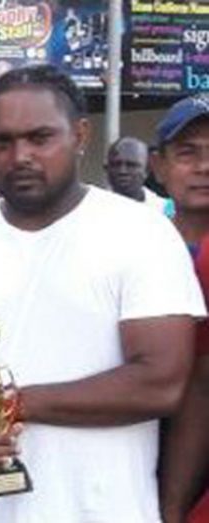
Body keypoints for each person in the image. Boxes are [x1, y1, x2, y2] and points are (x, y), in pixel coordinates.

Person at [0, 65, 205, 523]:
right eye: (2, 141)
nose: (20, 155)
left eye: (40, 138)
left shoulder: (141, 235)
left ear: (80, 135)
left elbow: (160, 383)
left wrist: (16, 403)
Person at [154, 94, 209, 523]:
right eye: (188, 152)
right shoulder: (132, 248)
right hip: (140, 444)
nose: (204, 167)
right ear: (159, 166)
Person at [105, 135, 168, 212]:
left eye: (131, 165)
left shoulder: (165, 211)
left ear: (146, 171)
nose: (122, 171)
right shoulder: (94, 208)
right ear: (106, 169)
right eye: (116, 164)